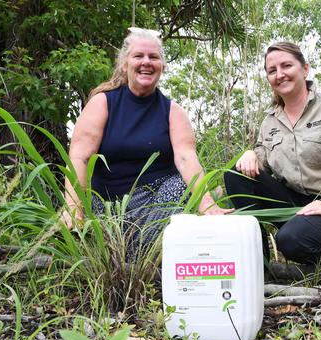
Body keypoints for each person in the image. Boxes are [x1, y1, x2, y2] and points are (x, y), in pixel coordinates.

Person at [62, 28, 231, 254]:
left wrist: (207, 202)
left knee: (184, 186)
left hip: (157, 204)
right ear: (125, 64)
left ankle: (137, 248)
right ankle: (132, 246)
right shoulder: (102, 103)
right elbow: (79, 157)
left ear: (162, 65)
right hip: (108, 203)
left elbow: (186, 158)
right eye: (138, 56)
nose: (146, 62)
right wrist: (74, 210)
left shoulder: (173, 112)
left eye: (154, 57)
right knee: (101, 223)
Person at [224, 41, 321, 265]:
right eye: (272, 70)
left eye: (286, 66)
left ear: (305, 69)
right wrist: (250, 154)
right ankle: (259, 261)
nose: (279, 75)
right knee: (235, 173)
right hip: (292, 204)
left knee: (290, 240)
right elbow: (262, 161)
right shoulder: (270, 121)